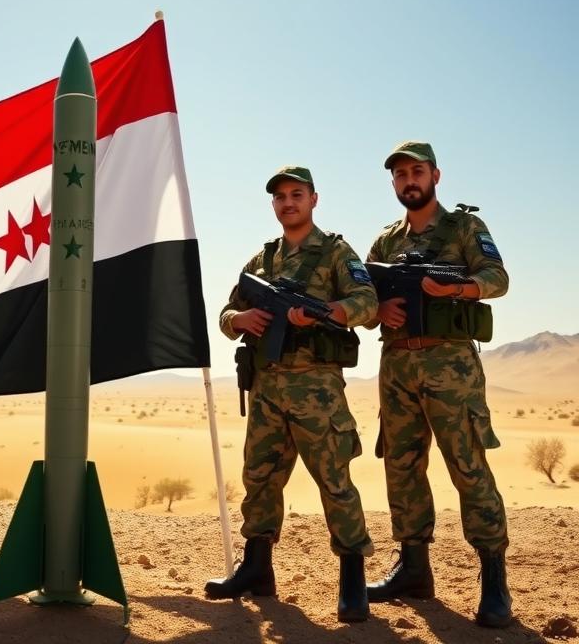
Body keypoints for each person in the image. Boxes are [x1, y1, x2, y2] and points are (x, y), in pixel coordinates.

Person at [205, 166, 377, 623]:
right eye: (280, 197)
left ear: (314, 199)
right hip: (267, 390)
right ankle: (258, 569)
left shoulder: (337, 253)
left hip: (317, 392)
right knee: (259, 479)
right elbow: (227, 309)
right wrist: (239, 321)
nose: (288, 203)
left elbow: (367, 302)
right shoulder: (261, 261)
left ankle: (353, 579)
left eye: (296, 195)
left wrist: (323, 314)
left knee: (335, 483)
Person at [365, 142, 511, 628]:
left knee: (468, 466)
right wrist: (378, 310)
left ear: (435, 176)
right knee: (402, 467)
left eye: (417, 171)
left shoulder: (465, 227)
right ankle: (413, 570)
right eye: (401, 174)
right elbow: (362, 293)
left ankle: (493, 582)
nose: (410, 180)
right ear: (394, 183)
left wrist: (455, 288)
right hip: (398, 365)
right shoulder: (386, 242)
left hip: (451, 365)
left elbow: (497, 277)